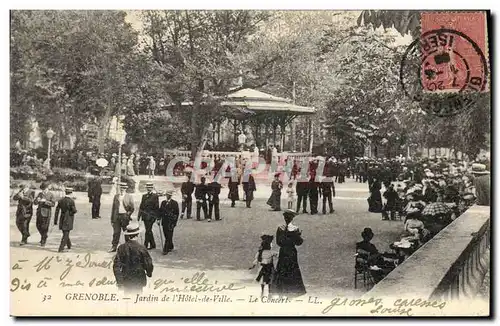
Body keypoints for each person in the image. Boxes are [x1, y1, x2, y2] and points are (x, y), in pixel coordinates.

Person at [272, 209, 306, 298]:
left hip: (283, 251)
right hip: (291, 251)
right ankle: (292, 290)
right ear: (292, 218)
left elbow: (279, 242)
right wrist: (297, 237)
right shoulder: (295, 229)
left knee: (281, 269)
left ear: (284, 218)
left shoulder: (280, 228)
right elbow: (298, 242)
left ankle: (281, 290)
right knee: (292, 269)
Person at [113, 222, 154, 295]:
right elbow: (148, 263)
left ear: (128, 236)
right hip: (139, 280)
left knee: (127, 301)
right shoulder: (141, 248)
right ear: (137, 235)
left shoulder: (121, 248)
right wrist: (149, 273)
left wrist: (119, 281)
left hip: (126, 280)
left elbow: (116, 266)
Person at [109, 183, 135, 253]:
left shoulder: (129, 196)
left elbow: (132, 208)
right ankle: (114, 247)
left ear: (126, 188)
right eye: (121, 188)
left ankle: (128, 248)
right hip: (117, 217)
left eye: (123, 188)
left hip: (124, 217)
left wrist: (128, 214)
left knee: (126, 233)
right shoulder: (116, 196)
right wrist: (112, 219)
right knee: (116, 233)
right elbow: (113, 208)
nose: (122, 189)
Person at [54, 187, 77, 252]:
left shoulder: (61, 200)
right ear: (71, 193)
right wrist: (74, 211)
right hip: (68, 218)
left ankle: (69, 245)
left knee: (65, 232)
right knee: (66, 233)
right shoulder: (71, 201)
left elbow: (57, 211)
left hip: (62, 218)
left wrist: (55, 221)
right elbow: (74, 210)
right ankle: (61, 248)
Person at [138, 182, 159, 250]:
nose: (149, 189)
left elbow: (156, 207)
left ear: (152, 188)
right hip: (145, 216)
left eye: (150, 187)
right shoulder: (144, 196)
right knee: (148, 230)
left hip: (151, 217)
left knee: (148, 230)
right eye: (148, 187)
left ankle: (145, 245)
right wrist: (139, 215)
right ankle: (153, 244)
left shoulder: (155, 196)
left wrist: (157, 217)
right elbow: (141, 206)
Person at [34, 182, 56, 247]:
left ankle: (43, 241)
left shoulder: (51, 194)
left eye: (44, 189)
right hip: (39, 213)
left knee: (45, 227)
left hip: (46, 213)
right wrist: (37, 200)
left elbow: (53, 204)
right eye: (42, 189)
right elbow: (35, 203)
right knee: (38, 226)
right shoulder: (39, 194)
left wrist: (45, 201)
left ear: (47, 188)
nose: (43, 190)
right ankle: (44, 236)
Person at [158, 189, 179, 255]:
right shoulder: (163, 203)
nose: (168, 196)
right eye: (167, 195)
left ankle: (165, 249)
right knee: (166, 235)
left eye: (169, 195)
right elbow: (160, 212)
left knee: (169, 235)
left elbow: (176, 214)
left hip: (171, 222)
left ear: (171, 196)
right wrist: (158, 219)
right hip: (164, 222)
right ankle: (171, 245)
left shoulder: (174, 203)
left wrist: (174, 223)